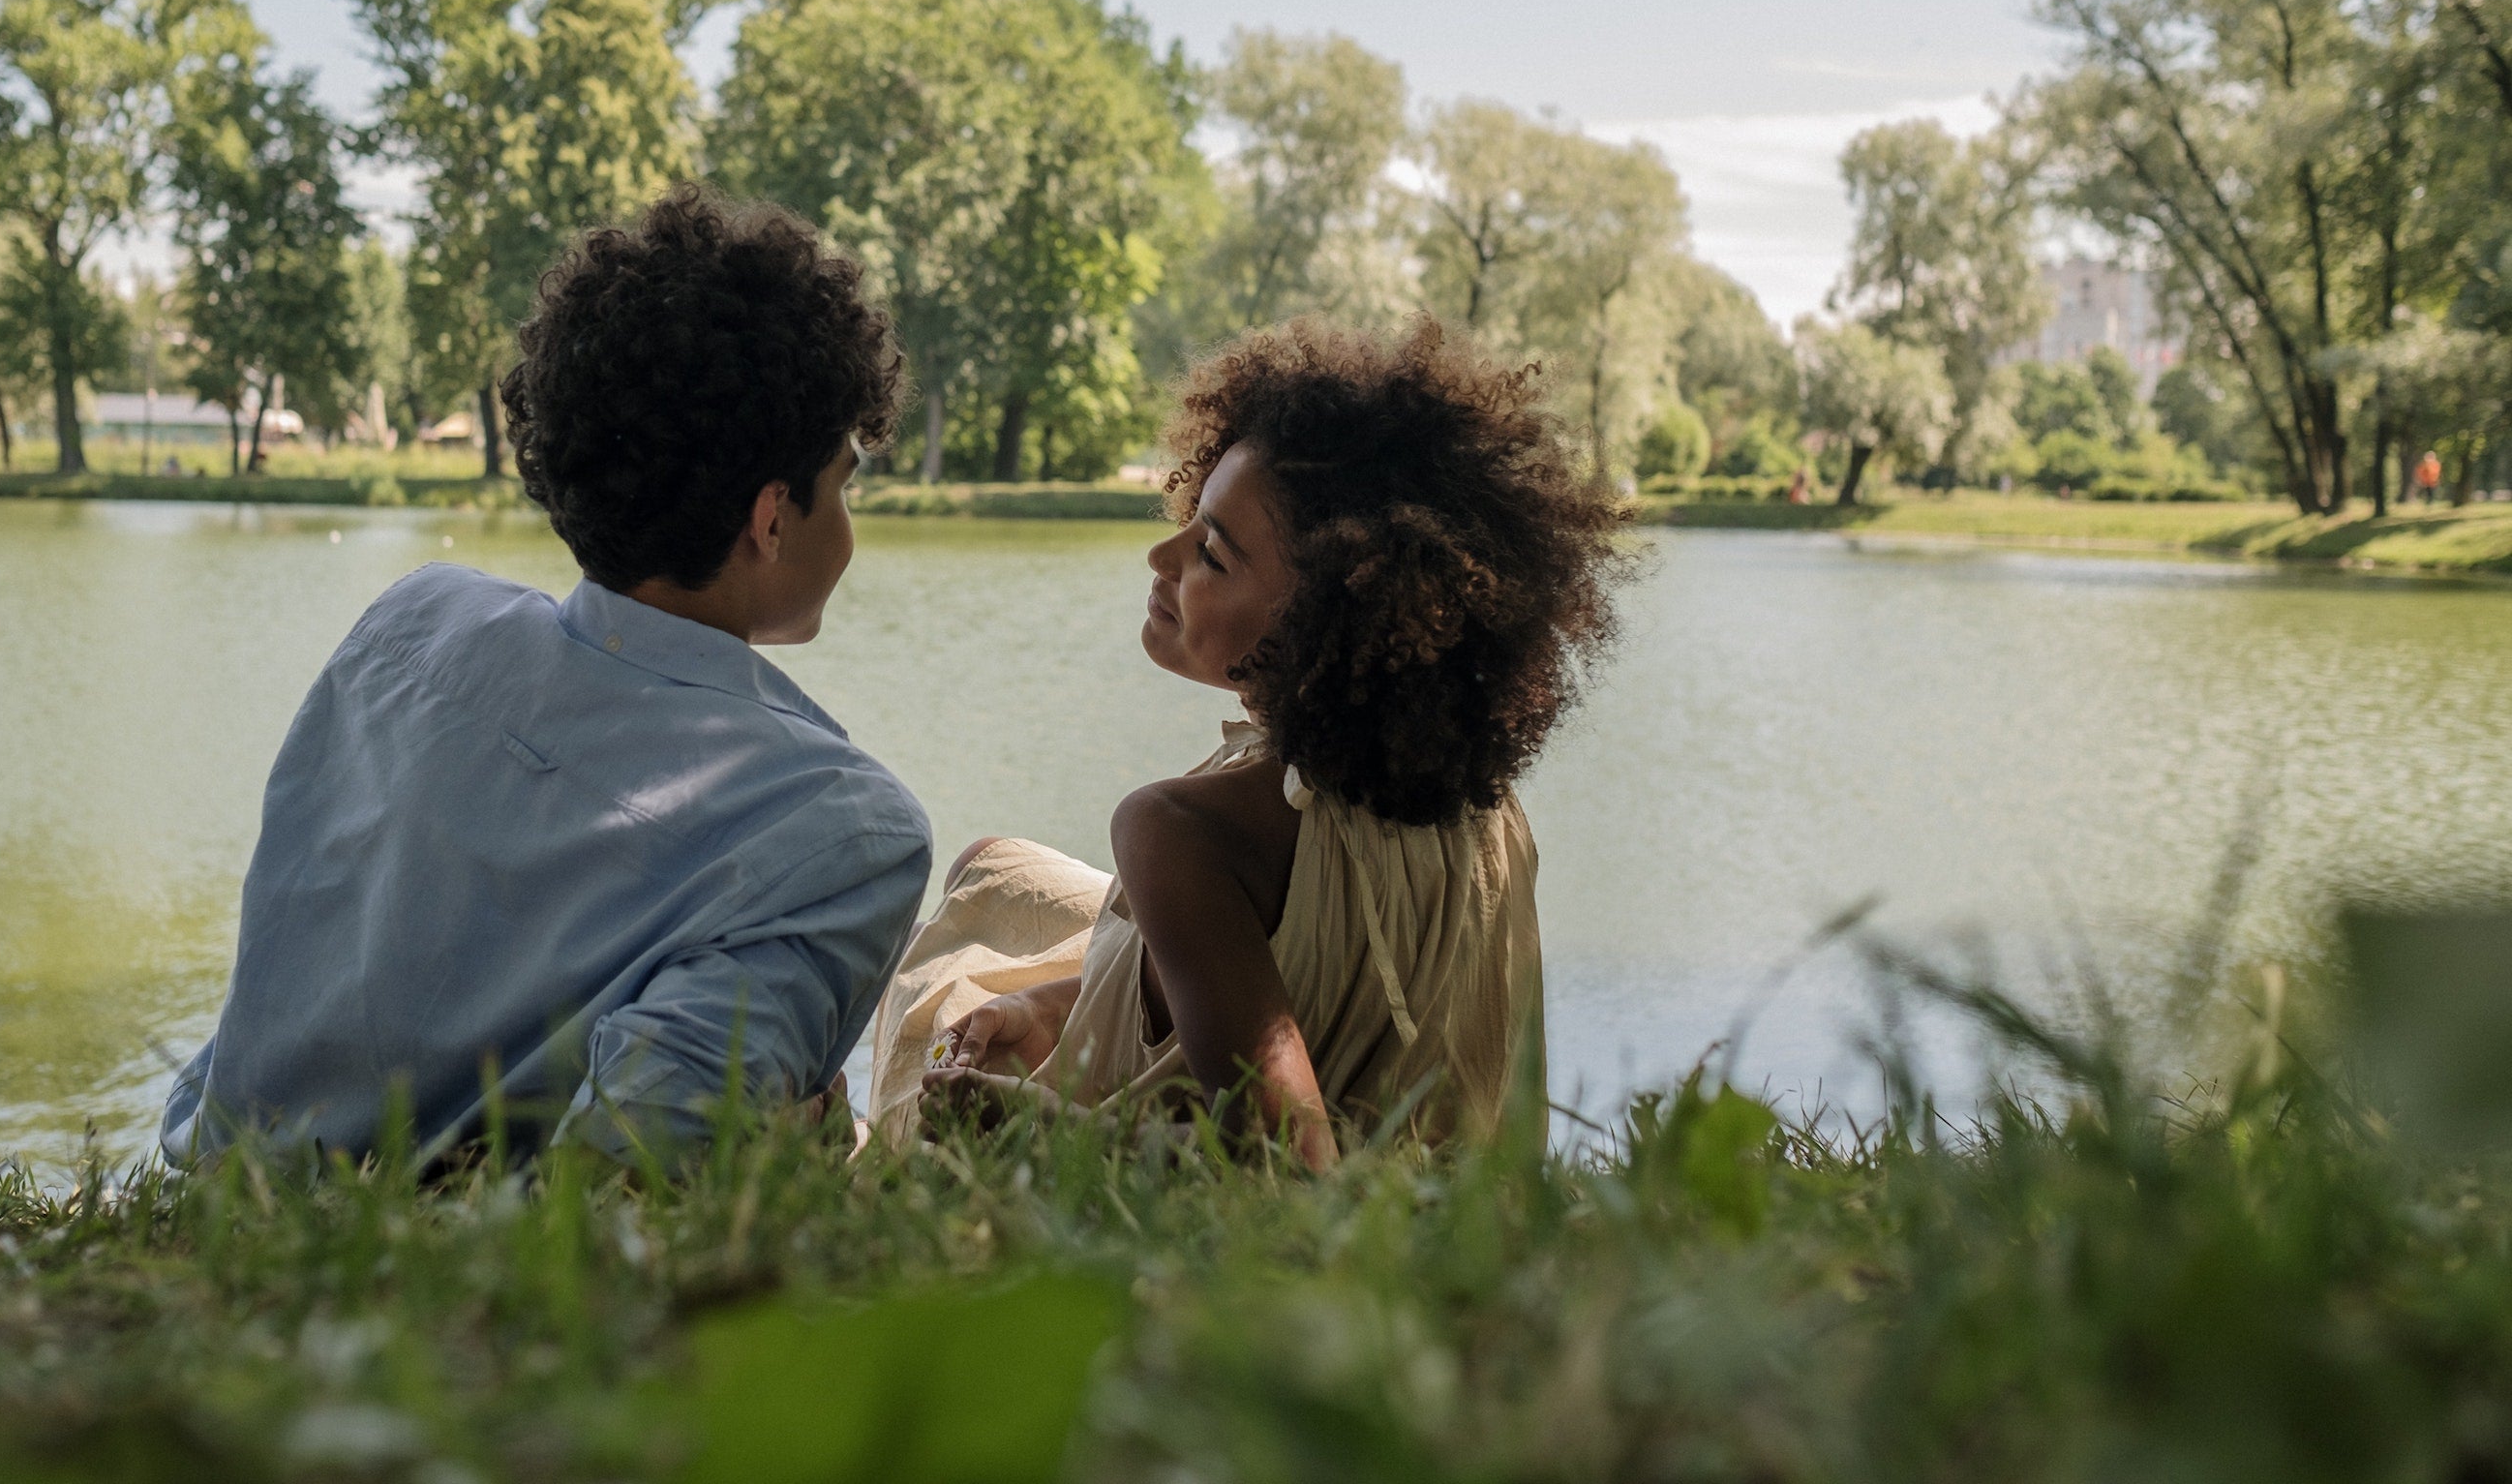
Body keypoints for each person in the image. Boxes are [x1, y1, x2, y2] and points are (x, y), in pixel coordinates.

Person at [162, 188, 928, 1166]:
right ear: (771, 518)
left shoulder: (410, 625)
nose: (849, 524)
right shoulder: (843, 828)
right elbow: (629, 1175)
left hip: (220, 1189)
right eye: (845, 485)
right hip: (437, 1291)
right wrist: (779, 1152)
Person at [869, 319, 1626, 1166]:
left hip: (1220, 1201)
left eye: (1214, 556)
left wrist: (1040, 1130)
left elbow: (1292, 1169)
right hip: (1445, 1181)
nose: (1163, 552)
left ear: (1330, 622)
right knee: (997, 869)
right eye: (1192, 518)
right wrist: (1053, 1004)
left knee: (939, 987)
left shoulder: (1180, 833)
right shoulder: (1486, 805)